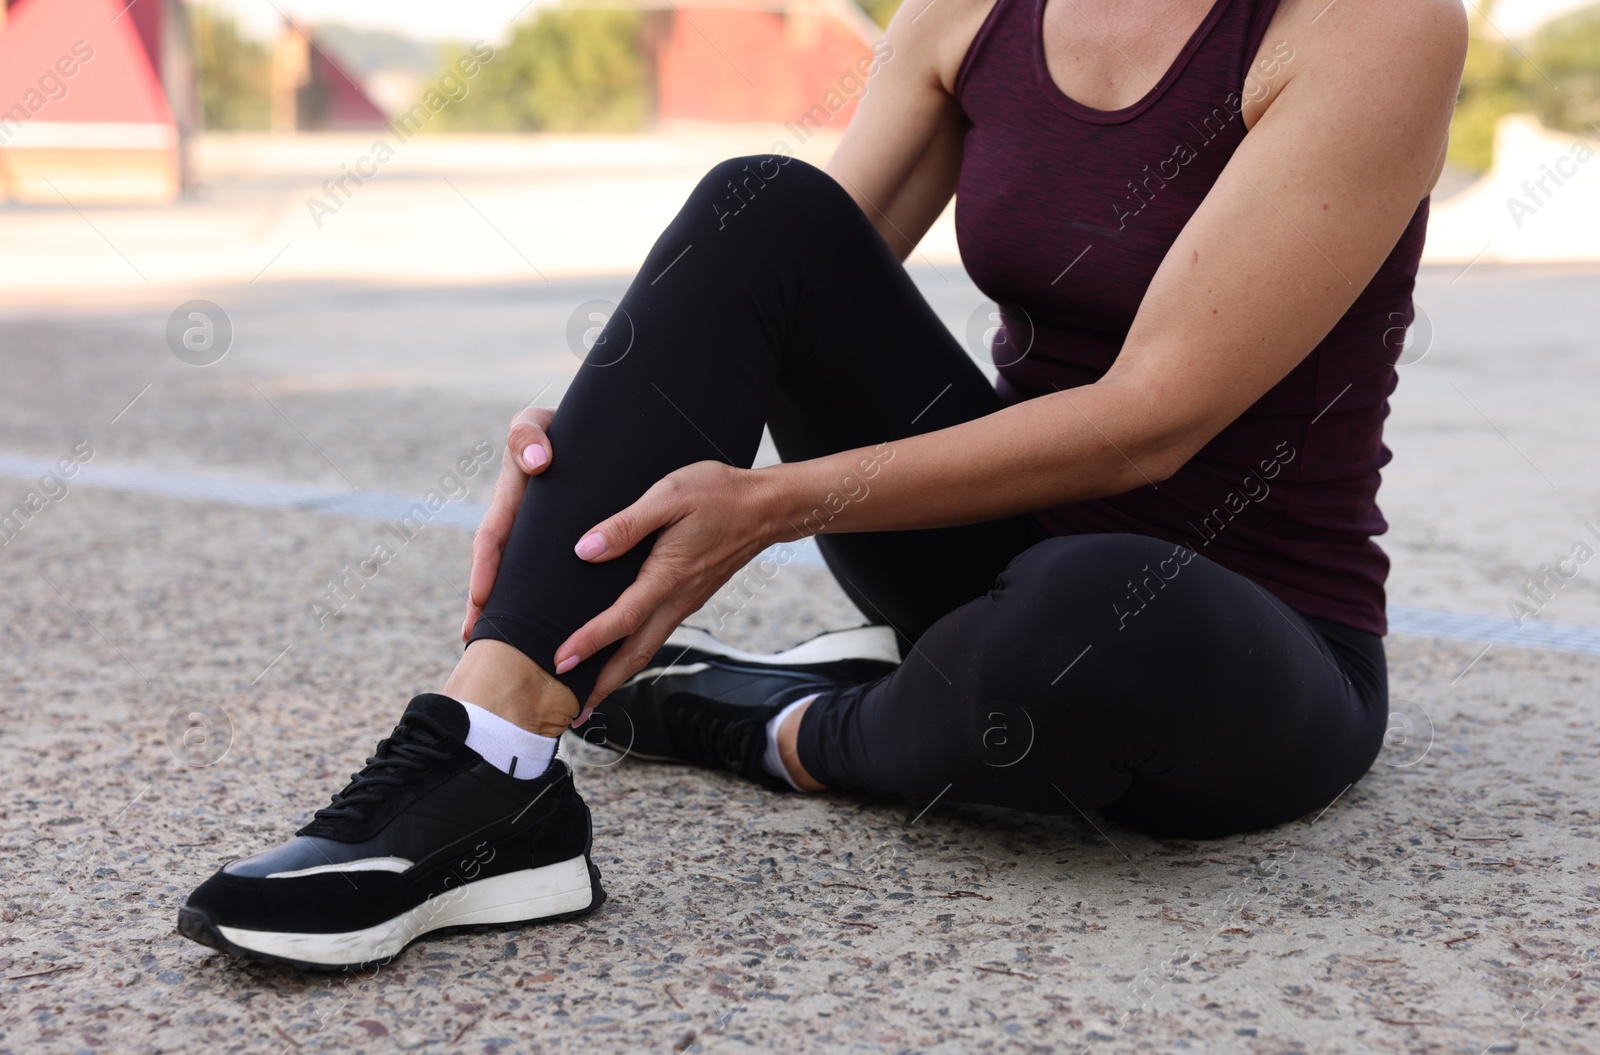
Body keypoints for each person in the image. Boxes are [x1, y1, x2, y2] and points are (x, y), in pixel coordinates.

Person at [178, 0, 1467, 969]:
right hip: (979, 540)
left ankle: (767, 722)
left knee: (1071, 628)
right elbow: (780, 281)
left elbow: (1152, 422)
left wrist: (776, 505)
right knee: (760, 202)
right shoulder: (975, 9)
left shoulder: (1369, 24)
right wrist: (594, 432)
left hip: (1243, 630)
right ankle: (485, 762)